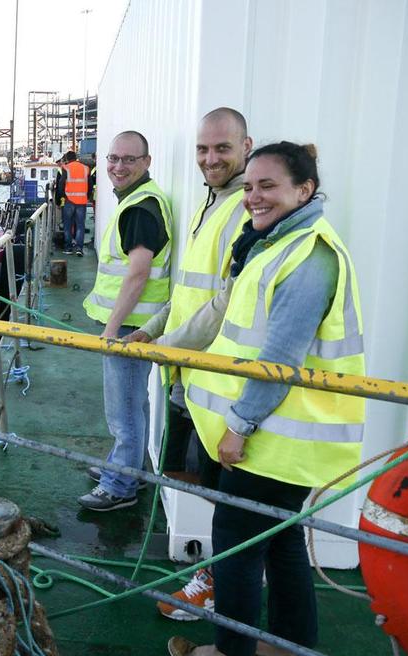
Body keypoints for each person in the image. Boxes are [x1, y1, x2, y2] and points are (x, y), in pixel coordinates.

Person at [167, 142, 365, 656]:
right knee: (278, 541)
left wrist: (239, 425)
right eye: (250, 186)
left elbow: (280, 357)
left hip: (272, 438)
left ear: (304, 190)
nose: (254, 196)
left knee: (237, 541)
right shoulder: (279, 243)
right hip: (284, 439)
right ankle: (288, 646)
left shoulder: (310, 256)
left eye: (268, 186)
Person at [120, 107, 252, 620]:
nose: (211, 158)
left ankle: (217, 587)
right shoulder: (211, 203)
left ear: (246, 146)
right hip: (192, 376)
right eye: (203, 149)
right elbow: (189, 291)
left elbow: (225, 300)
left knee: (225, 492)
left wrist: (165, 344)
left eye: (222, 148)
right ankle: (217, 582)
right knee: (204, 481)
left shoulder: (244, 207)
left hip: (220, 382)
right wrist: (151, 332)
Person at [79, 131, 173, 511]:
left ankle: (121, 486)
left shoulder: (140, 208)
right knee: (136, 404)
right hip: (137, 326)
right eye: (114, 158)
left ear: (147, 162)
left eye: (129, 160)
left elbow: (138, 273)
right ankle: (127, 468)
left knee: (124, 410)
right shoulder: (140, 200)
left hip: (131, 329)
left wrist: (111, 329)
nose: (118, 167)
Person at [60, 150, 90, 255]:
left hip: (69, 201)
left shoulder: (66, 168)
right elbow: (90, 184)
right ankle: (79, 248)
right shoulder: (85, 168)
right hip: (82, 201)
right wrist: (88, 196)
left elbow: (61, 184)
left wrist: (61, 197)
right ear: (76, 157)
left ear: (67, 159)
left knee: (68, 225)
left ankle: (68, 248)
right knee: (80, 225)